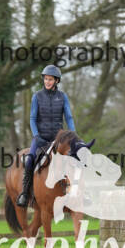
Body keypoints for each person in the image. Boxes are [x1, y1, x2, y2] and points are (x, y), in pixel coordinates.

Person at [16, 64, 77, 207]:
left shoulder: (62, 97)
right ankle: (25, 193)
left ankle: (77, 192)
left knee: (74, 158)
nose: (47, 82)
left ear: (56, 81)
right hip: (41, 138)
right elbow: (32, 118)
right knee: (30, 160)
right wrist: (36, 135)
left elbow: (68, 117)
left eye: (50, 79)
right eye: (46, 79)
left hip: (58, 139)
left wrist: (72, 135)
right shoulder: (37, 96)